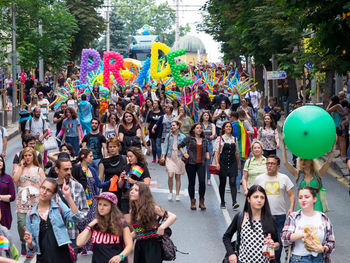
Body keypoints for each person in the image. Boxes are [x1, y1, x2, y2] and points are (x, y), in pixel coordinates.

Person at [23, 178, 80, 263]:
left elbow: (76, 217)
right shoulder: (31, 215)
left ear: (54, 195)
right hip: (43, 259)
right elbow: (32, 248)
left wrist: (68, 196)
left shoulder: (59, 206)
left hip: (62, 257)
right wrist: (30, 243)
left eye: (49, 190)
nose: (44, 192)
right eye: (43, 188)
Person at [254, 155, 295, 263]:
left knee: (278, 243)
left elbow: (291, 195)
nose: (269, 166)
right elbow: (253, 196)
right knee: (262, 242)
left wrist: (291, 208)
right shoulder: (259, 179)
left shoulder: (284, 178)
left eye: (272, 163)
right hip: (264, 215)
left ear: (278, 166)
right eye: (268, 163)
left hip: (279, 216)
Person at [223, 185, 279, 263]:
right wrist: (231, 253)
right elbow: (226, 237)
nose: (259, 200)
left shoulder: (270, 219)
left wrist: (274, 245)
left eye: (262, 197)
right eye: (255, 197)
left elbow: (277, 243)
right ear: (249, 199)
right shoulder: (241, 217)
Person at [282, 186, 335, 263]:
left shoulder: (323, 218)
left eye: (306, 197)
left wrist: (323, 248)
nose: (303, 200)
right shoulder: (294, 217)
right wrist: (302, 234)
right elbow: (284, 238)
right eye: (300, 197)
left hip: (319, 258)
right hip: (298, 259)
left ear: (314, 199)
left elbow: (331, 242)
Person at [76, 192, 133, 263]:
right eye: (99, 204)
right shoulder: (95, 224)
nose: (101, 208)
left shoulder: (121, 223)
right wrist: (89, 226)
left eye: (105, 205)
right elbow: (79, 243)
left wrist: (121, 256)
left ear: (112, 207)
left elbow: (129, 245)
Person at [281, 138, 335, 212]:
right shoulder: (297, 174)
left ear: (311, 161)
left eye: (305, 159)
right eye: (301, 160)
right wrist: (283, 146)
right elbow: (285, 162)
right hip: (302, 206)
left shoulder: (318, 174)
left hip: (316, 206)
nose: (303, 162)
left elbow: (328, 162)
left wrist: (333, 148)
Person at [130, 182, 177, 263]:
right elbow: (137, 231)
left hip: (152, 245)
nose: (132, 191)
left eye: (136, 190)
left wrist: (162, 227)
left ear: (143, 194)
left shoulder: (152, 208)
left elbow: (173, 216)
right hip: (139, 245)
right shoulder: (132, 211)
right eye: (132, 189)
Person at [13, 147, 45, 258]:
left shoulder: (38, 169)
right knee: (21, 223)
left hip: (35, 199)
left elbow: (44, 185)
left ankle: (31, 245)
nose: (27, 157)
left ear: (33, 156)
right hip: (22, 198)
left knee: (34, 223)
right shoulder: (19, 167)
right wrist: (21, 166)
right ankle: (23, 241)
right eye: (25, 155)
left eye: (29, 155)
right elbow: (15, 179)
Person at [53, 158, 89, 251]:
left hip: (72, 234)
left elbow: (85, 210)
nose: (69, 172)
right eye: (65, 169)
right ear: (57, 170)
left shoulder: (77, 186)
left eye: (70, 169)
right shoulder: (50, 187)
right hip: (54, 234)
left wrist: (76, 218)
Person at [178, 123, 209, 210]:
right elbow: (179, 146)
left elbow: (206, 149)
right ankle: (192, 201)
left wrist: (207, 155)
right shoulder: (189, 139)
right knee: (192, 183)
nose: (199, 129)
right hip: (191, 163)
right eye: (197, 128)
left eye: (200, 128)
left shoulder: (204, 140)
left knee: (202, 182)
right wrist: (184, 153)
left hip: (201, 163)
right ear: (193, 130)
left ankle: (201, 201)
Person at [214, 121, 241, 209]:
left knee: (233, 182)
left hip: (233, 162)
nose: (228, 128)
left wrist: (239, 164)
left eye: (230, 127)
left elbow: (237, 152)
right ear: (224, 128)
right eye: (227, 126)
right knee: (222, 182)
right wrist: (217, 163)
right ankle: (222, 202)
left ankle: (234, 201)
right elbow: (216, 152)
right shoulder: (220, 139)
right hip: (223, 163)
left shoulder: (235, 139)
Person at [118, 147, 151, 216]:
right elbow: (119, 186)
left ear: (137, 156)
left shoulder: (142, 167)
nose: (129, 158)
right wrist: (121, 178)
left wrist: (134, 182)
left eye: (131, 156)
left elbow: (147, 184)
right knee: (126, 221)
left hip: (138, 198)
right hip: (125, 197)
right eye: (128, 157)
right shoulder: (126, 167)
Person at [160, 121, 186, 202]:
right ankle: (170, 192)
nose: (172, 127)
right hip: (170, 157)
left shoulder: (183, 136)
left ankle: (177, 194)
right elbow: (165, 147)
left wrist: (185, 155)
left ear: (178, 126)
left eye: (174, 125)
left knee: (177, 177)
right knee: (170, 175)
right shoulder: (168, 136)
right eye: (171, 125)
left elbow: (184, 147)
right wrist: (163, 156)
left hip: (179, 157)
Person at [98, 138, 127, 205]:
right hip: (108, 189)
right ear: (107, 148)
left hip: (120, 190)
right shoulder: (103, 162)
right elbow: (100, 178)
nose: (112, 149)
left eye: (114, 146)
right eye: (110, 147)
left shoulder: (124, 159)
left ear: (118, 147)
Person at [326, 95, 346, 160]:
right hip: (337, 126)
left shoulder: (337, 106)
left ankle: (343, 155)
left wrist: (329, 103)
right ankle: (341, 154)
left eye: (331, 100)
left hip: (340, 126)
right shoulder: (336, 106)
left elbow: (327, 111)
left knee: (342, 141)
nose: (330, 101)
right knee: (339, 141)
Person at [200, 111, 216, 185]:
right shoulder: (199, 125)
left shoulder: (212, 125)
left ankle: (208, 178)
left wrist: (212, 136)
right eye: (205, 115)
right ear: (202, 117)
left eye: (207, 115)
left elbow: (214, 133)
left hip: (209, 144)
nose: (206, 116)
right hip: (200, 144)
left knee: (208, 162)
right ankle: (201, 177)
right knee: (200, 162)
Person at [0, 156, 16, 229]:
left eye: (1, 160)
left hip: (5, 211)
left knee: (4, 236)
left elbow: (12, 196)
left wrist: (0, 197)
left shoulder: (8, 178)